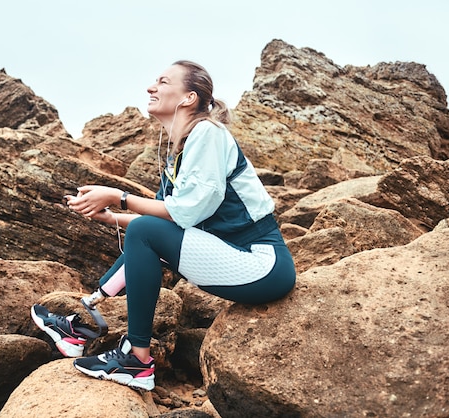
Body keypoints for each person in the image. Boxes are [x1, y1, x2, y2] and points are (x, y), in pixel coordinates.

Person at [31, 60, 296, 391]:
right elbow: (162, 218)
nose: (150, 88)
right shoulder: (181, 152)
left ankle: (137, 361)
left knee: (144, 233)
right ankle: (82, 323)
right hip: (232, 255)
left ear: (188, 98)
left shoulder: (208, 134)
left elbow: (184, 213)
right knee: (144, 234)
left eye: (162, 81)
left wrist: (118, 196)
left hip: (261, 263)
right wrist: (110, 215)